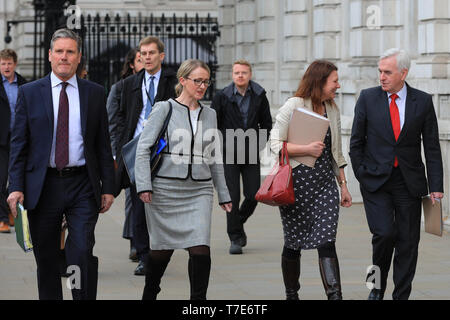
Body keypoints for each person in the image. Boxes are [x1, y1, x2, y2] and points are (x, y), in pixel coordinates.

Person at [7, 28, 115, 300]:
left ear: (79, 57)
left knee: (79, 251)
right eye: (59, 51)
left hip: (82, 185)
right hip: (43, 186)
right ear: (49, 56)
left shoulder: (95, 92)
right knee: (46, 258)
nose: (64, 57)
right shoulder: (30, 93)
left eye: (70, 52)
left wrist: (109, 187)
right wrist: (15, 186)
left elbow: (103, 143)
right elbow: (19, 144)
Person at [349, 48, 444, 300]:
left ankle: (402, 295)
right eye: (380, 71)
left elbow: (432, 146)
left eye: (387, 72)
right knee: (383, 235)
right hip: (375, 181)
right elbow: (356, 142)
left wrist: (436, 186)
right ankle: (375, 288)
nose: (381, 77)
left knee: (408, 243)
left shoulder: (422, 101)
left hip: (409, 183)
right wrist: (360, 173)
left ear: (404, 73)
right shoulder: (367, 98)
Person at [135, 59, 232, 300]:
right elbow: (143, 149)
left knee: (200, 249)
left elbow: (214, 156)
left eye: (205, 81)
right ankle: (150, 292)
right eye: (197, 80)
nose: (202, 86)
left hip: (198, 190)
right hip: (164, 190)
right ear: (183, 81)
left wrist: (224, 193)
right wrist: (144, 184)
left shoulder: (210, 114)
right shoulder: (164, 109)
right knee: (161, 252)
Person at [268, 60, 352, 300]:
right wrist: (305, 148)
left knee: (327, 241)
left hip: (325, 185)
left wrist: (343, 186)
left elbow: (336, 152)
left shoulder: (332, 108)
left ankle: (335, 296)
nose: (338, 85)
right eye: (334, 81)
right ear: (320, 81)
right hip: (295, 185)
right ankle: (291, 294)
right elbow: (274, 144)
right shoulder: (294, 105)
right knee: (294, 243)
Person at [113, 36, 177, 276]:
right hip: (138, 151)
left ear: (161, 56)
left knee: (160, 205)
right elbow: (120, 116)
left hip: (163, 150)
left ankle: (160, 250)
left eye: (151, 53)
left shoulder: (172, 82)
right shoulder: (130, 84)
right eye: (143, 53)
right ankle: (143, 256)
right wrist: (123, 145)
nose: (146, 57)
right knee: (139, 205)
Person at [211, 60, 272, 254]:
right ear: (232, 75)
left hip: (251, 152)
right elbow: (213, 124)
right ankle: (235, 238)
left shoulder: (260, 95)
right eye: (237, 72)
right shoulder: (222, 96)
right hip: (229, 153)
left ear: (250, 74)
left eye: (244, 72)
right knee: (232, 196)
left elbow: (267, 124)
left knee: (254, 194)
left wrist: (260, 144)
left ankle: (238, 222)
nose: (240, 76)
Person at [106, 48, 144, 262]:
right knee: (132, 197)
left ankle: (144, 241)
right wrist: (114, 153)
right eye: (139, 60)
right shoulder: (119, 88)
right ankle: (135, 242)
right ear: (132, 64)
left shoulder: (153, 87)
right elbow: (112, 123)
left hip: (153, 153)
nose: (144, 63)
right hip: (127, 151)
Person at [0, 49, 26, 233]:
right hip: (1, 138)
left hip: (20, 138)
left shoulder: (24, 84)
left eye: (9, 63)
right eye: (3, 63)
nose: (6, 67)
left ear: (15, 64)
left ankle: (11, 213)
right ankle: (2, 218)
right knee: (1, 179)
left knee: (17, 178)